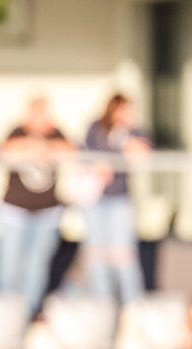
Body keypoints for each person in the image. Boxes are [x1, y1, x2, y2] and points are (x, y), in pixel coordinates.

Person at [0, 96, 73, 317]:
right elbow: (6, 152)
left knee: (37, 264)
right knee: (9, 264)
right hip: (15, 211)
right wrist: (32, 145)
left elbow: (71, 152)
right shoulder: (17, 131)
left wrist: (44, 145)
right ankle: (6, 312)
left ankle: (29, 311)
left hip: (48, 213)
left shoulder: (56, 133)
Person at [81, 93, 153, 305]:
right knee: (97, 255)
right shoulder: (96, 127)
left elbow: (143, 155)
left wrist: (125, 136)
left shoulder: (135, 132)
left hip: (120, 200)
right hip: (95, 201)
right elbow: (88, 154)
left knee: (123, 255)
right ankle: (103, 304)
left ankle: (132, 305)